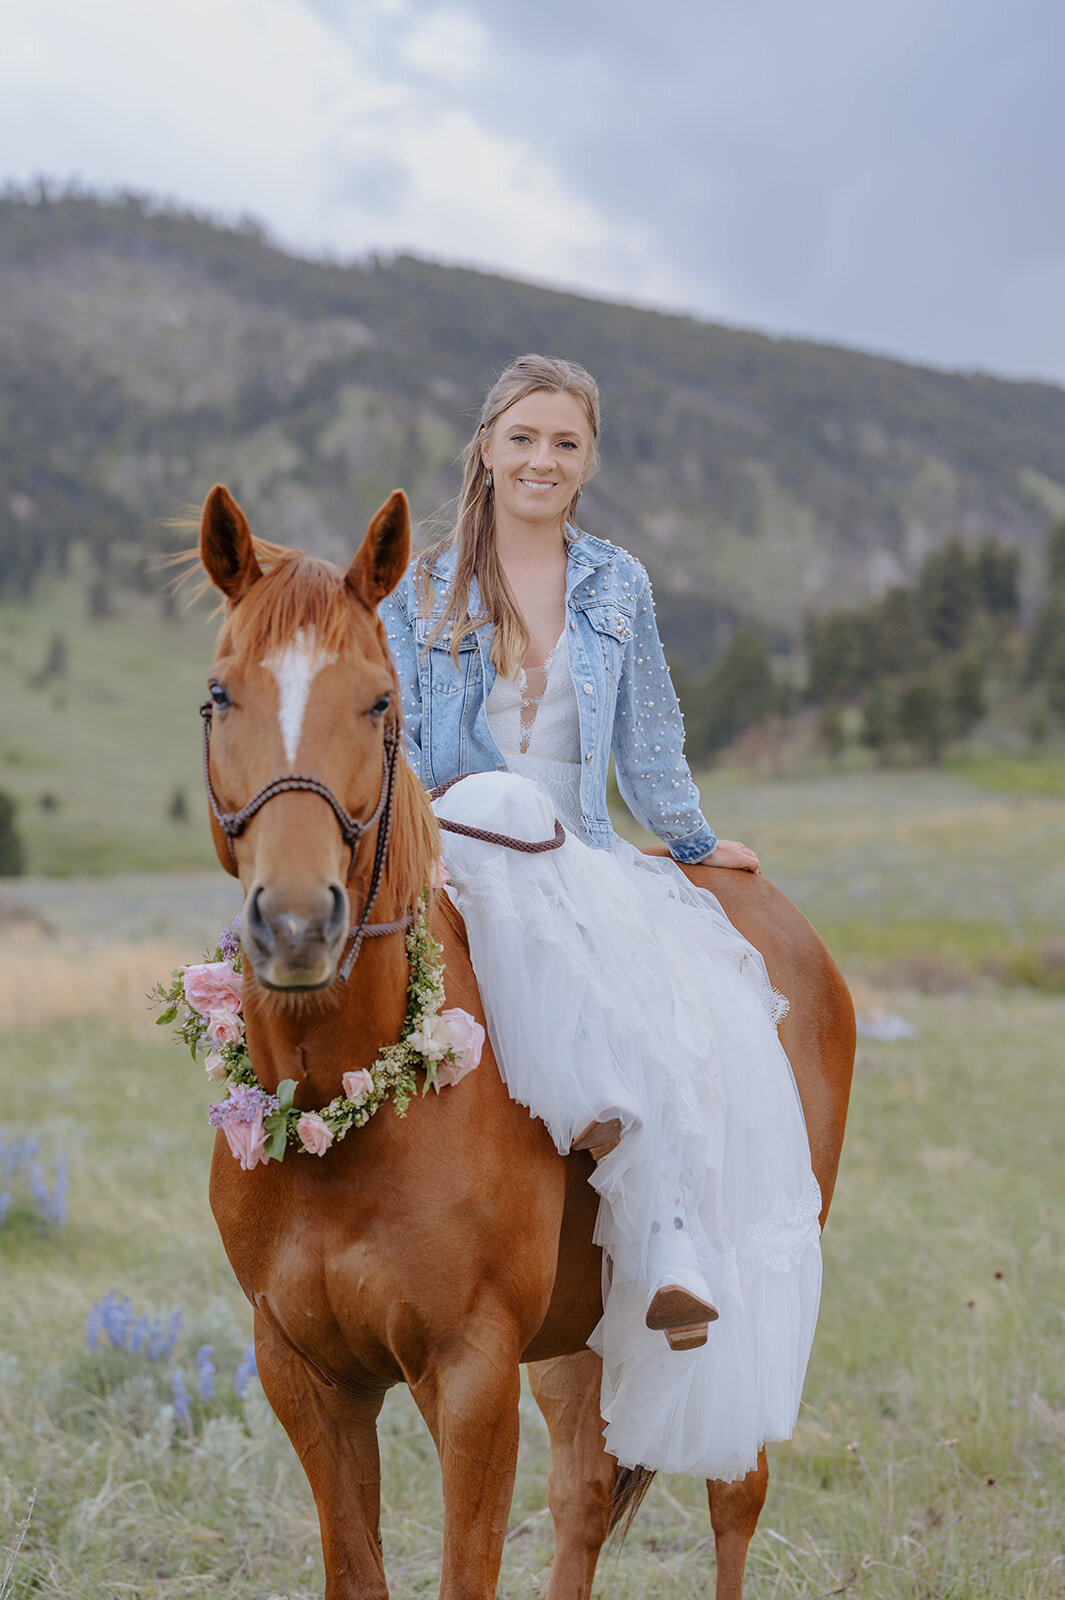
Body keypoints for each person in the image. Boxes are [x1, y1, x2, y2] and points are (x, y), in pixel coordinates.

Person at [379, 354, 822, 1482]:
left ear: (588, 462)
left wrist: (687, 840)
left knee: (679, 1005)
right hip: (460, 845)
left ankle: (667, 1231)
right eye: (523, 437)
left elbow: (650, 737)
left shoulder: (615, 584)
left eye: (565, 443)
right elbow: (402, 759)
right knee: (491, 805)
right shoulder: (419, 593)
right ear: (487, 446)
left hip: (573, 847)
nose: (542, 459)